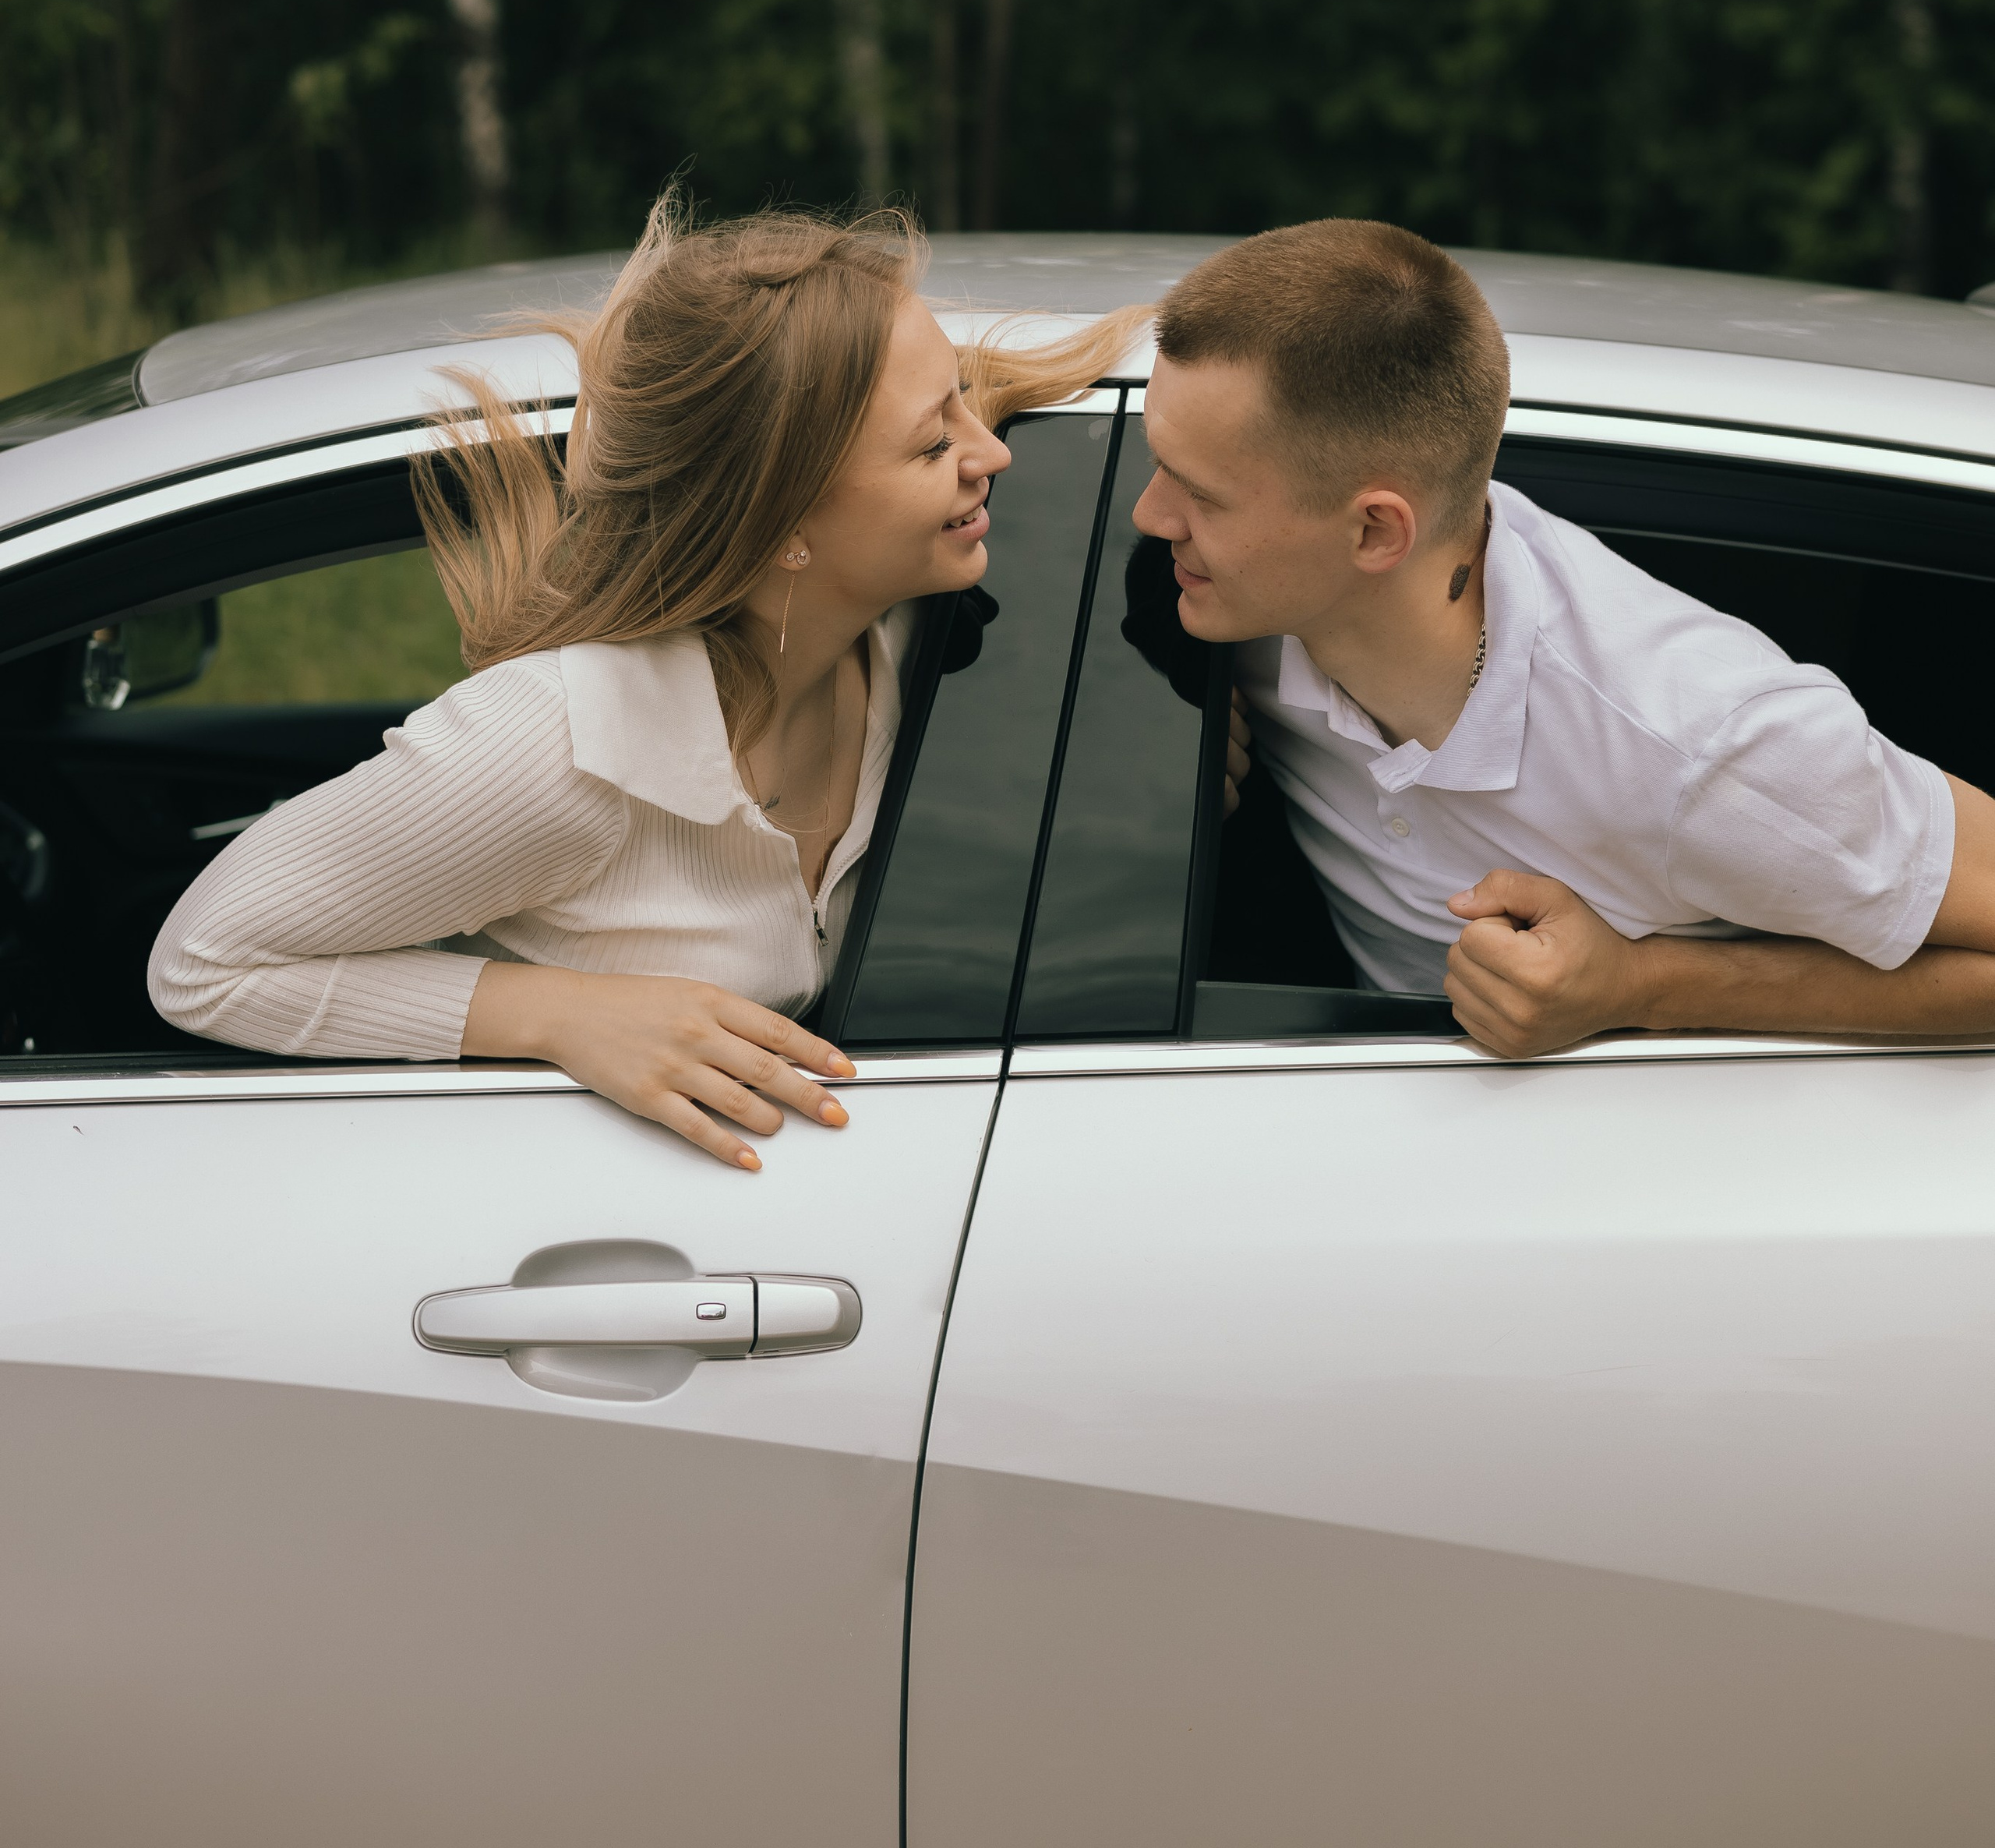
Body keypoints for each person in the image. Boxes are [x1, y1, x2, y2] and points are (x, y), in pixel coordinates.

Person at [149, 205, 1135, 1159]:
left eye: (962, 399)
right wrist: (566, 1017)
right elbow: (205, 964)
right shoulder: (556, 746)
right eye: (932, 442)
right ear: (783, 527)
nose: (993, 453)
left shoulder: (942, 640)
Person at [1131, 217, 1995, 1060]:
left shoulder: (1708, 742)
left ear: (1373, 535)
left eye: (1200, 495)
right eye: (1156, 459)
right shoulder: (1244, 601)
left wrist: (1641, 989)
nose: (1146, 516)